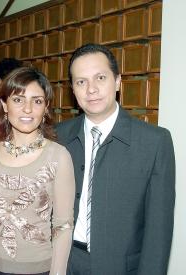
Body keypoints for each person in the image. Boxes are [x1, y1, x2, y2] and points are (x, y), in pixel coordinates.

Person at [55, 43, 175, 275]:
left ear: (118, 81)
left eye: (100, 78)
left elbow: (158, 230)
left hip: (120, 267)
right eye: (81, 82)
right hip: (63, 263)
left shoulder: (154, 142)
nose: (91, 89)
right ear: (73, 89)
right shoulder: (58, 136)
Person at [0, 67, 76, 275]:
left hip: (37, 270)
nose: (27, 109)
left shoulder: (59, 156)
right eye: (18, 100)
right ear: (4, 104)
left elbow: (63, 227)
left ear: (46, 107)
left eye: (37, 101)